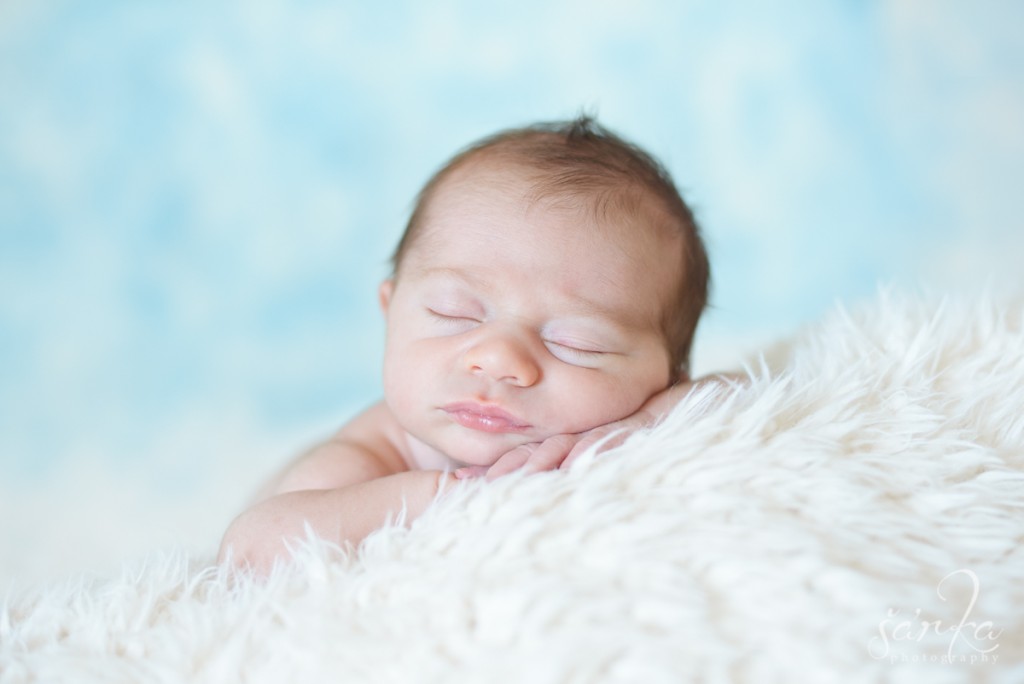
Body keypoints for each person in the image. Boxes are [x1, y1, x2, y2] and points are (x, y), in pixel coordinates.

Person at [219, 115, 720, 573]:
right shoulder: (364, 460)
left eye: (577, 344)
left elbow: (739, 396)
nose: (499, 360)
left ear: (669, 376)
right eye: (453, 314)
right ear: (390, 312)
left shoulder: (634, 416)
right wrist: (450, 496)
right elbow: (253, 547)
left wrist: (645, 423)